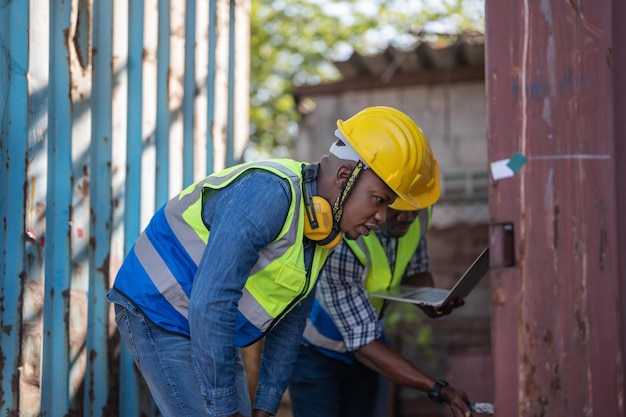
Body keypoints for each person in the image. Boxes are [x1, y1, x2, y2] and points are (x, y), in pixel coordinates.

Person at [106, 106, 443, 417]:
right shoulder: (268, 194)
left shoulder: (322, 231)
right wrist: (226, 409)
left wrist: (266, 406)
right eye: (379, 200)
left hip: (203, 323)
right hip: (158, 308)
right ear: (344, 177)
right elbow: (213, 301)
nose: (381, 217)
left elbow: (290, 323)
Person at [288, 195, 472, 417]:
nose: (406, 217)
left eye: (413, 209)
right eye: (397, 208)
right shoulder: (343, 242)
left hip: (368, 342)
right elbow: (363, 342)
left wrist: (428, 300)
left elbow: (415, 270)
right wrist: (440, 389)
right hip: (316, 350)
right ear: (379, 200)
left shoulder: (417, 218)